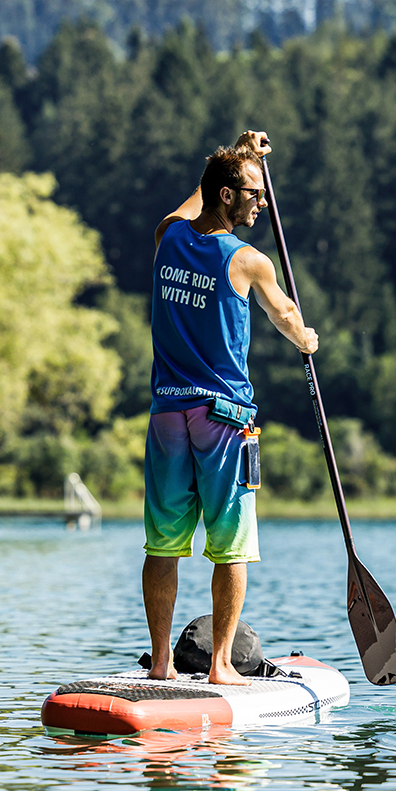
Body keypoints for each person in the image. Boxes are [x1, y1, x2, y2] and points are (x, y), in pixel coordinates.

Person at [142, 130, 318, 684]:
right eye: (252, 192)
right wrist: (308, 340)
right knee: (231, 546)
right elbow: (287, 318)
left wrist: (237, 156)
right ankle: (221, 665)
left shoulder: (167, 238)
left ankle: (164, 664)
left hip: (167, 416)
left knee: (163, 544)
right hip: (223, 421)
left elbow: (189, 202)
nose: (261, 202)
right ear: (225, 196)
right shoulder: (248, 261)